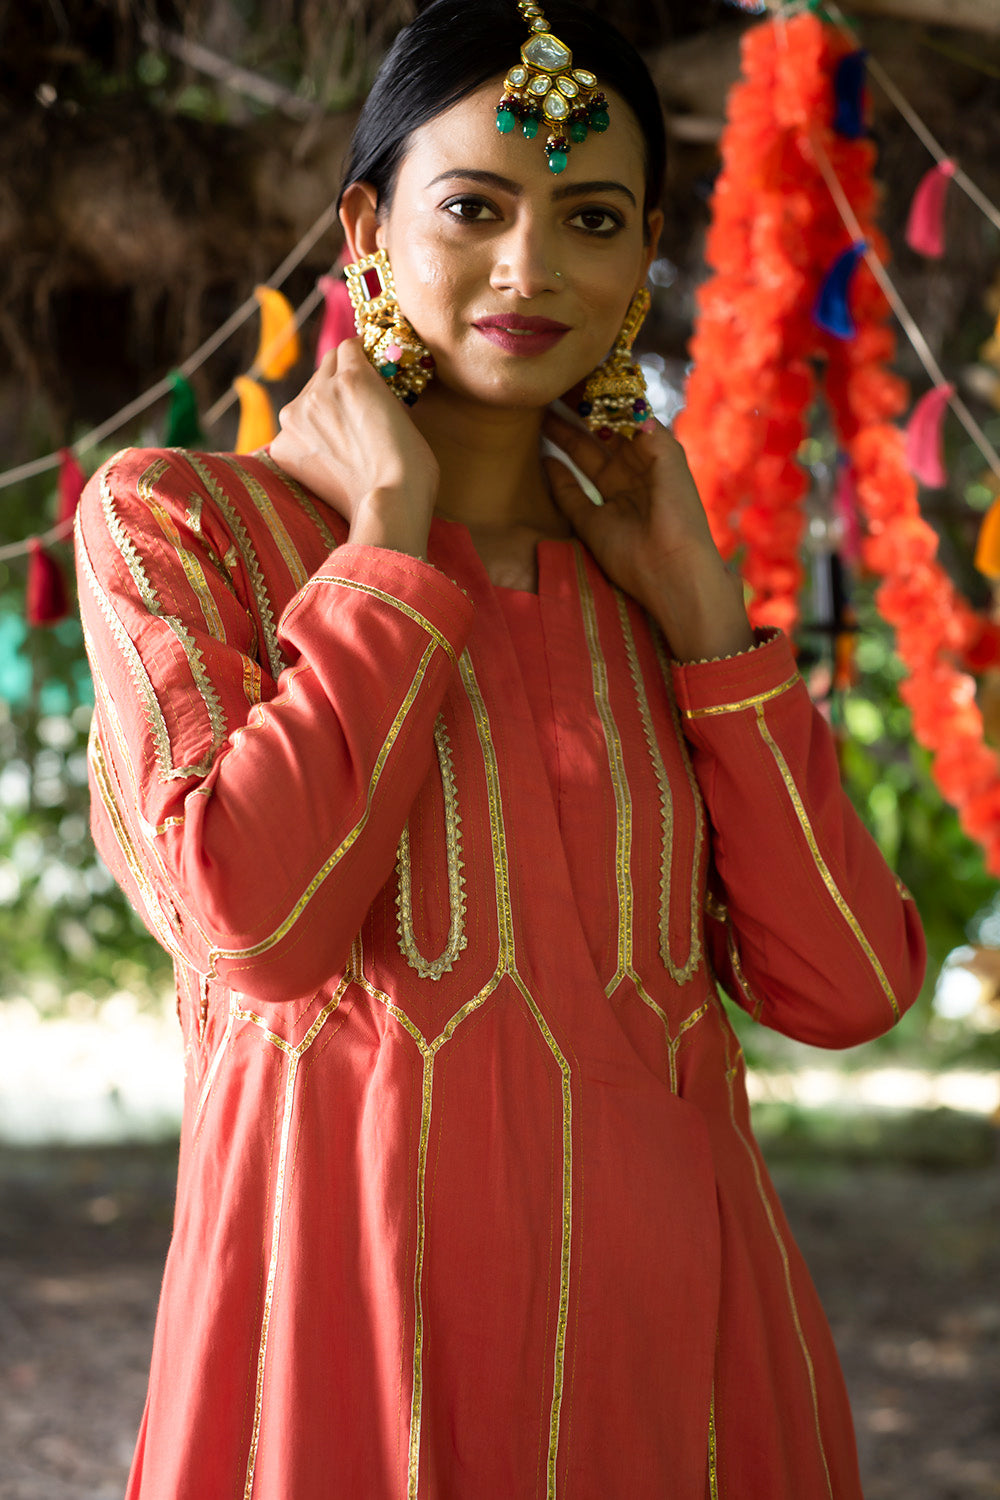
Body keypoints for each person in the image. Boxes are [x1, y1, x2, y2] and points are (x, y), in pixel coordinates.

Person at [75, 1, 926, 1495]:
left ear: (644, 252)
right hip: (339, 1352)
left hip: (683, 1369)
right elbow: (260, 925)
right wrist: (389, 543)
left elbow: (849, 983)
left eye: (590, 219)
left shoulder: (652, 592)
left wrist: (710, 624)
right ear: (367, 224)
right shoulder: (181, 524)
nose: (533, 269)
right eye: (473, 205)